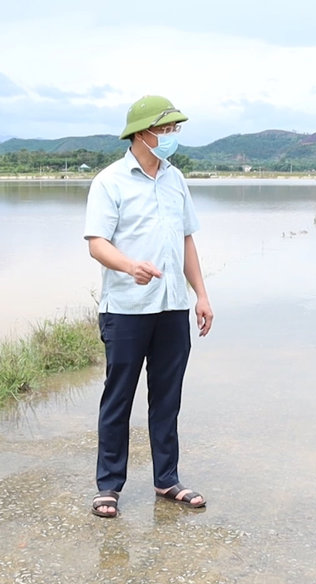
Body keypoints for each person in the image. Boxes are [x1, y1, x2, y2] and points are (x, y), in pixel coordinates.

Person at [84, 95, 214, 518]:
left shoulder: (175, 179)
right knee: (118, 397)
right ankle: (109, 486)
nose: (173, 136)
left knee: (167, 397)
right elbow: (97, 244)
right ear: (143, 133)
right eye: (168, 129)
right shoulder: (109, 181)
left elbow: (187, 240)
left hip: (173, 306)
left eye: (175, 129)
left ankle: (167, 479)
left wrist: (202, 295)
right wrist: (128, 266)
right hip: (126, 308)